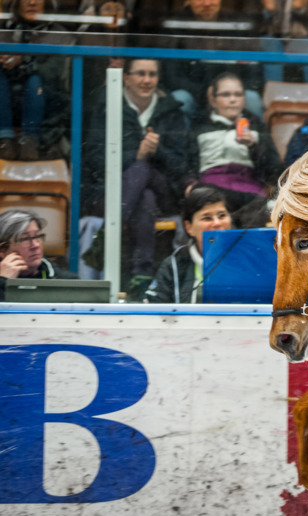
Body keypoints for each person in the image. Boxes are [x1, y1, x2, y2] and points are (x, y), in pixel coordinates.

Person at [82, 58, 189, 297]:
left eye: (152, 74)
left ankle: (105, 241)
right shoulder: (106, 108)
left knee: (145, 172)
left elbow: (182, 165)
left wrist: (156, 151)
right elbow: (93, 159)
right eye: (140, 73)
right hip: (112, 191)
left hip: (164, 194)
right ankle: (142, 276)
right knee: (144, 196)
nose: (147, 80)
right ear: (126, 78)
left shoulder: (172, 110)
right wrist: (136, 155)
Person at [187, 72, 283, 214]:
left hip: (249, 190)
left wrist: (253, 147)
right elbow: (188, 163)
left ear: (244, 99)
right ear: (213, 100)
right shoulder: (200, 126)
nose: (233, 100)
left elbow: (274, 171)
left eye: (238, 95)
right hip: (211, 189)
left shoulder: (256, 126)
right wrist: (189, 184)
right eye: (226, 95)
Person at [0, 0, 74, 161]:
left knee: (35, 81)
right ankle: (4, 140)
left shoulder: (60, 36)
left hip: (46, 109)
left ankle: (29, 141)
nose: (31, 2)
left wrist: (23, 60)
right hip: (9, 107)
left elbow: (54, 73)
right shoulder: (6, 32)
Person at [145, 185, 232, 304]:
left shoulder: (248, 259)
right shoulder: (173, 265)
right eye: (207, 218)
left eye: (222, 215)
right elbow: (153, 313)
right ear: (189, 227)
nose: (217, 223)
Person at [0, 209, 78, 301]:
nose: (36, 245)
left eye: (37, 237)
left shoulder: (66, 282)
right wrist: (2, 281)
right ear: (2, 250)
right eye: (25, 239)